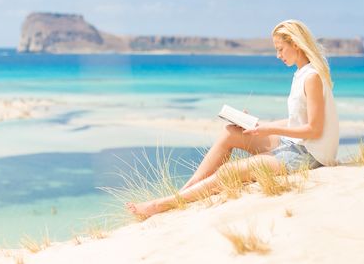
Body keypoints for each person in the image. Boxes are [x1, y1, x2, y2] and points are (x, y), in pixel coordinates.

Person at [127, 19, 339, 218]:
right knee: (231, 133)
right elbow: (297, 119)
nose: (278, 55)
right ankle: (183, 193)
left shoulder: (311, 77)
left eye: (280, 49)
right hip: (294, 144)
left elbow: (314, 129)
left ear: (296, 44)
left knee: (231, 170)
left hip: (307, 155)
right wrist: (259, 125)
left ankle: (161, 205)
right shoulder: (302, 73)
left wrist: (268, 130)